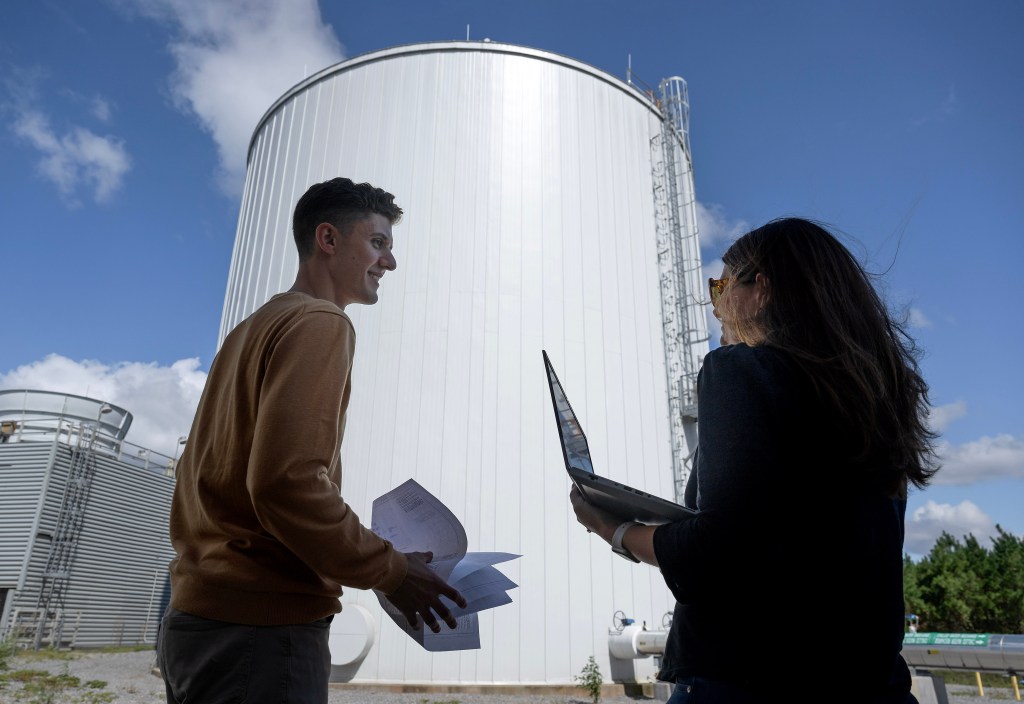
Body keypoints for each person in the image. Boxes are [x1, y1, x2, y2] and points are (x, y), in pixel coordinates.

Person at [571, 218, 938, 703]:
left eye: (722, 285)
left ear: (760, 287)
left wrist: (612, 528)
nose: (715, 305)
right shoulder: (875, 402)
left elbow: (718, 550)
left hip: (749, 680)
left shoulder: (740, 370)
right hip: (871, 685)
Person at [157, 178, 466, 704]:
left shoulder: (250, 330)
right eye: (378, 243)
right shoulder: (321, 323)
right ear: (328, 239)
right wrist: (392, 570)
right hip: (260, 634)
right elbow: (287, 484)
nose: (389, 263)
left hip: (196, 619)